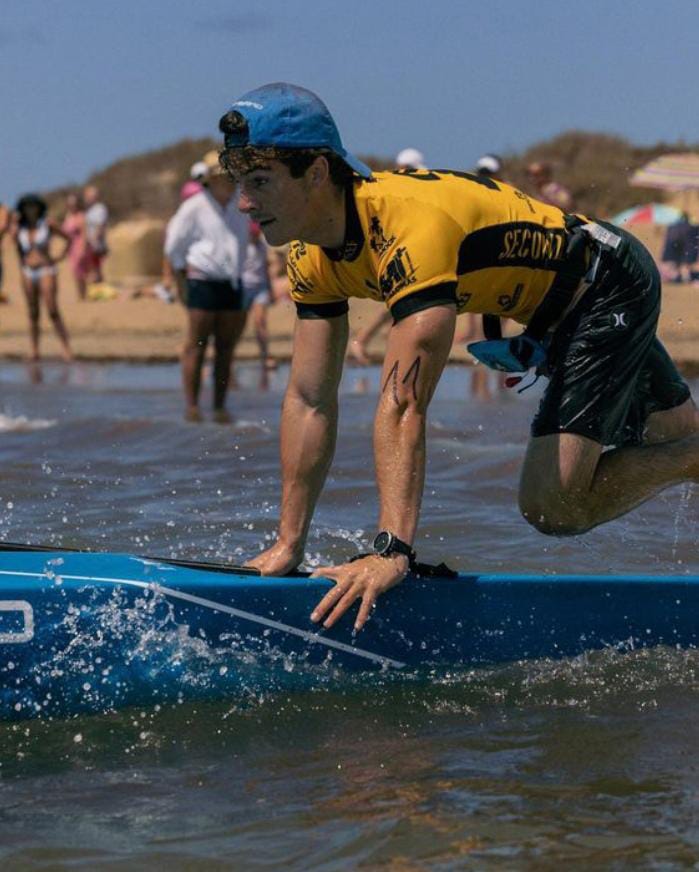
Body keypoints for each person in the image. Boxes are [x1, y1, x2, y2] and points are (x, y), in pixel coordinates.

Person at [219, 83, 698, 633]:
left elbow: (402, 401)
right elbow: (308, 399)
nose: (244, 203)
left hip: (607, 285)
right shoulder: (309, 253)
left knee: (555, 507)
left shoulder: (408, 230)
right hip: (555, 308)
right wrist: (287, 545)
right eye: (239, 184)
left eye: (259, 183)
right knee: (673, 433)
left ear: (319, 173)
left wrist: (391, 549)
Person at [164, 150, 248, 423]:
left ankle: (219, 407)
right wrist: (179, 280)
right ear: (211, 179)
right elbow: (173, 245)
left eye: (230, 175)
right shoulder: (194, 206)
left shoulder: (243, 203)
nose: (228, 180)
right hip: (202, 280)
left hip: (232, 282)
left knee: (225, 349)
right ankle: (192, 407)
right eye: (222, 176)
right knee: (197, 345)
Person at [347, 146, 428, 365]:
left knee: (398, 306)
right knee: (398, 305)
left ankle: (365, 343)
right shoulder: (397, 188)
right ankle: (364, 343)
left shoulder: (393, 186)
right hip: (397, 254)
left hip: (401, 252)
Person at [11, 194, 73, 361]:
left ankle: (66, 348)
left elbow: (69, 238)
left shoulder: (47, 224)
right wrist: (14, 228)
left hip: (46, 269)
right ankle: (34, 350)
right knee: (32, 312)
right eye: (27, 207)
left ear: (39, 208)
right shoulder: (20, 228)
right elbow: (16, 248)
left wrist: (58, 257)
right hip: (27, 271)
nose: (30, 210)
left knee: (52, 309)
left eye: (33, 206)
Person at [242, 219, 276, 371]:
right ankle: (227, 358)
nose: (255, 236)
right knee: (237, 324)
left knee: (260, 322)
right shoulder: (241, 245)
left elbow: (265, 268)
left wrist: (270, 289)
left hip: (260, 288)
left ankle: (265, 356)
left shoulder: (262, 245)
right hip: (244, 288)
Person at [61, 192, 89, 300]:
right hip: (70, 248)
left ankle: (83, 295)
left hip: (79, 246)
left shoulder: (81, 216)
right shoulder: (68, 216)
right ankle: (80, 295)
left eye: (74, 204)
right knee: (75, 272)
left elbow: (84, 233)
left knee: (80, 271)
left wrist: (83, 248)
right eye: (70, 204)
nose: (72, 206)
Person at [83, 185, 109, 284]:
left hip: (96, 244)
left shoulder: (100, 209)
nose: (86, 198)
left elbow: (100, 226)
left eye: (89, 196)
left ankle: (100, 288)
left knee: (96, 268)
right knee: (92, 268)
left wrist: (94, 240)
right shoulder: (89, 210)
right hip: (90, 243)